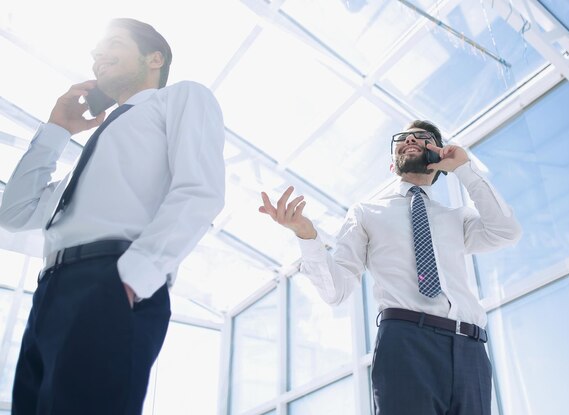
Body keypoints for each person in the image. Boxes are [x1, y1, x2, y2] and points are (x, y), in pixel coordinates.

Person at [0, 18, 225, 415]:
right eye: (95, 52)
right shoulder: (85, 164)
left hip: (112, 281)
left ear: (155, 57)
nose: (98, 56)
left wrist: (131, 281)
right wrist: (56, 130)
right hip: (50, 293)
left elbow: (199, 190)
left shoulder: (180, 98)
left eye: (113, 45)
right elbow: (14, 213)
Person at [259, 120, 521, 415]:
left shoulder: (457, 218)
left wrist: (464, 168)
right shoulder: (366, 213)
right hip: (406, 344)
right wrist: (306, 235)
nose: (410, 139)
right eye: (403, 138)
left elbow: (506, 231)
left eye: (422, 137)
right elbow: (337, 290)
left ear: (438, 158)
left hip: (471, 351)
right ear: (392, 165)